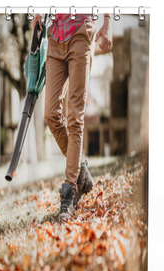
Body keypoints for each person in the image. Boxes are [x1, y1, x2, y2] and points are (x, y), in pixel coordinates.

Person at [33, 13, 112, 222]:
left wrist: (107, 22)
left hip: (81, 30)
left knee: (75, 116)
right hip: (55, 34)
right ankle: (81, 170)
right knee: (50, 114)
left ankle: (68, 193)